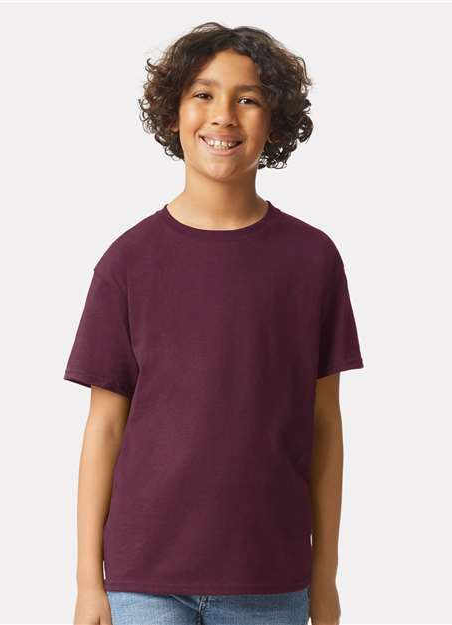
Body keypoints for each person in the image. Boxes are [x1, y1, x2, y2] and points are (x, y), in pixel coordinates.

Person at [64, 22, 364, 625]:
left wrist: (325, 578)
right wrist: (87, 583)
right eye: (203, 94)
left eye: (247, 98)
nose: (223, 115)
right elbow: (104, 429)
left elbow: (325, 427)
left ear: (273, 122)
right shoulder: (127, 262)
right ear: (174, 114)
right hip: (143, 582)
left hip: (269, 579)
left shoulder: (312, 260)